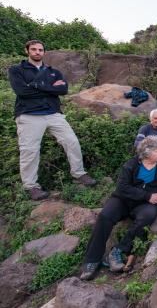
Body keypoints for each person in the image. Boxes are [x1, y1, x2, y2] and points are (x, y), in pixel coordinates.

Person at [80, 136, 157, 280]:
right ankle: (92, 260)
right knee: (105, 216)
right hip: (123, 200)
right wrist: (147, 196)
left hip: (144, 204)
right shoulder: (130, 165)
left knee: (148, 215)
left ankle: (117, 250)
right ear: (146, 152)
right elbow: (122, 188)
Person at [8, 40, 96, 200]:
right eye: (33, 49)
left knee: (72, 141)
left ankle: (79, 174)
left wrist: (35, 85)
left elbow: (63, 89)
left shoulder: (53, 72)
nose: (37, 52)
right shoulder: (16, 70)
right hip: (29, 115)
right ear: (27, 50)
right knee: (30, 151)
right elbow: (22, 92)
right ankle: (31, 187)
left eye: (40, 50)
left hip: (53, 114)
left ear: (44, 52)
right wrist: (50, 88)